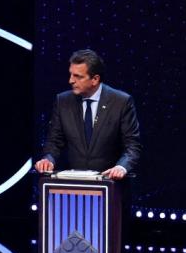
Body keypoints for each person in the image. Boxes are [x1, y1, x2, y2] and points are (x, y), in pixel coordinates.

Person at [36, 49, 140, 179]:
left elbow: (132, 146)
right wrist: (48, 159)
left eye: (78, 76)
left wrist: (121, 167)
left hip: (111, 185)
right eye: (71, 74)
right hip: (74, 187)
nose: (71, 81)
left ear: (95, 79)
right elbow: (54, 141)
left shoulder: (121, 102)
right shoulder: (62, 101)